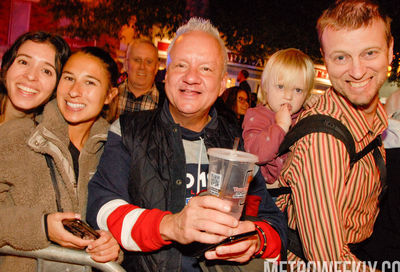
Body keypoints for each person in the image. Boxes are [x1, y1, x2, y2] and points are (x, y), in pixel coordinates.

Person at [86, 17, 286, 272]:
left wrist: (257, 239)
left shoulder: (240, 144)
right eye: (181, 65)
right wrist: (170, 226)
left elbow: (274, 223)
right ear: (166, 73)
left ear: (223, 82)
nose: (191, 78)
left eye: (205, 69)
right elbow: (101, 208)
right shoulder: (128, 130)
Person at [275, 0, 393, 263]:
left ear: (391, 49)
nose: (357, 71)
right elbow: (327, 261)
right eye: (341, 57)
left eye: (369, 53)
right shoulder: (323, 139)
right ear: (325, 59)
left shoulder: (372, 121)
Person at [0, 46, 120, 271]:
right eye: (69, 78)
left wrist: (113, 246)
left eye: (90, 82)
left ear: (110, 95)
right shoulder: (16, 137)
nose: (75, 91)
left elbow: (120, 221)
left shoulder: (113, 152)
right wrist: (42, 227)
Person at [242, 48, 315, 186]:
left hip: (294, 189)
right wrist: (280, 126)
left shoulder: (303, 114)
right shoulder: (257, 116)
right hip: (268, 191)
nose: (288, 96)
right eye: (281, 87)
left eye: (298, 90)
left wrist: (315, 107)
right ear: (265, 87)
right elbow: (256, 154)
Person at [0, 31, 70, 125]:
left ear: (57, 86)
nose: (31, 76)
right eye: (23, 62)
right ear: (6, 67)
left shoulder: (51, 136)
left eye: (46, 71)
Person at [116, 38, 165, 117]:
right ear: (125, 65)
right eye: (137, 60)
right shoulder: (109, 97)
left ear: (156, 68)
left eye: (149, 62)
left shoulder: (168, 105)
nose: (142, 67)